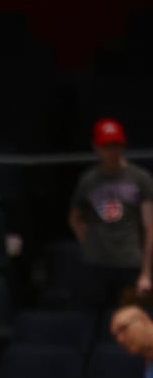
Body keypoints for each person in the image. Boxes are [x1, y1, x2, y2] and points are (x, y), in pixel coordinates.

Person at [69, 119, 153, 327]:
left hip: (129, 262)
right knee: (92, 323)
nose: (112, 151)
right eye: (106, 146)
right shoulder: (88, 180)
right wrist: (86, 241)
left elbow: (150, 227)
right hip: (96, 264)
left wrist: (146, 273)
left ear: (123, 145)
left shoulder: (140, 178)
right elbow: (74, 216)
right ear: (96, 147)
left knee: (131, 325)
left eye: (116, 145)